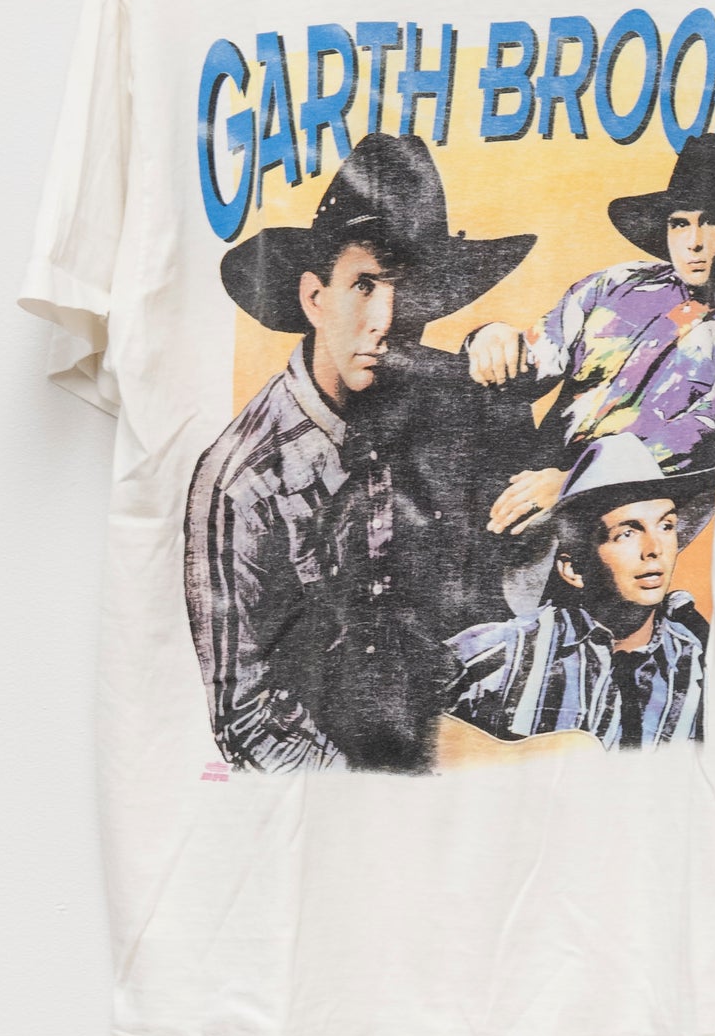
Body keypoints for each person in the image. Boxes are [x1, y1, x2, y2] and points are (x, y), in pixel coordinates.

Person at [184, 134, 536, 773]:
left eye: (407, 288)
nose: (386, 320)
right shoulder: (243, 480)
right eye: (364, 285)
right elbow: (246, 721)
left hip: (463, 754)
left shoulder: (449, 403)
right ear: (314, 298)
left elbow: (526, 573)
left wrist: (500, 357)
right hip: (333, 789)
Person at [463, 130, 715, 540]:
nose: (694, 242)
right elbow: (533, 367)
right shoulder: (613, 285)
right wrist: (489, 337)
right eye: (680, 223)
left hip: (627, 518)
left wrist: (575, 480)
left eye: (710, 223)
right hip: (529, 490)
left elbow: (705, 435)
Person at [443, 435, 715, 752]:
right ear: (573, 569)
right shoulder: (498, 653)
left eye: (666, 526)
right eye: (626, 533)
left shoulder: (700, 666)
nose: (654, 549)